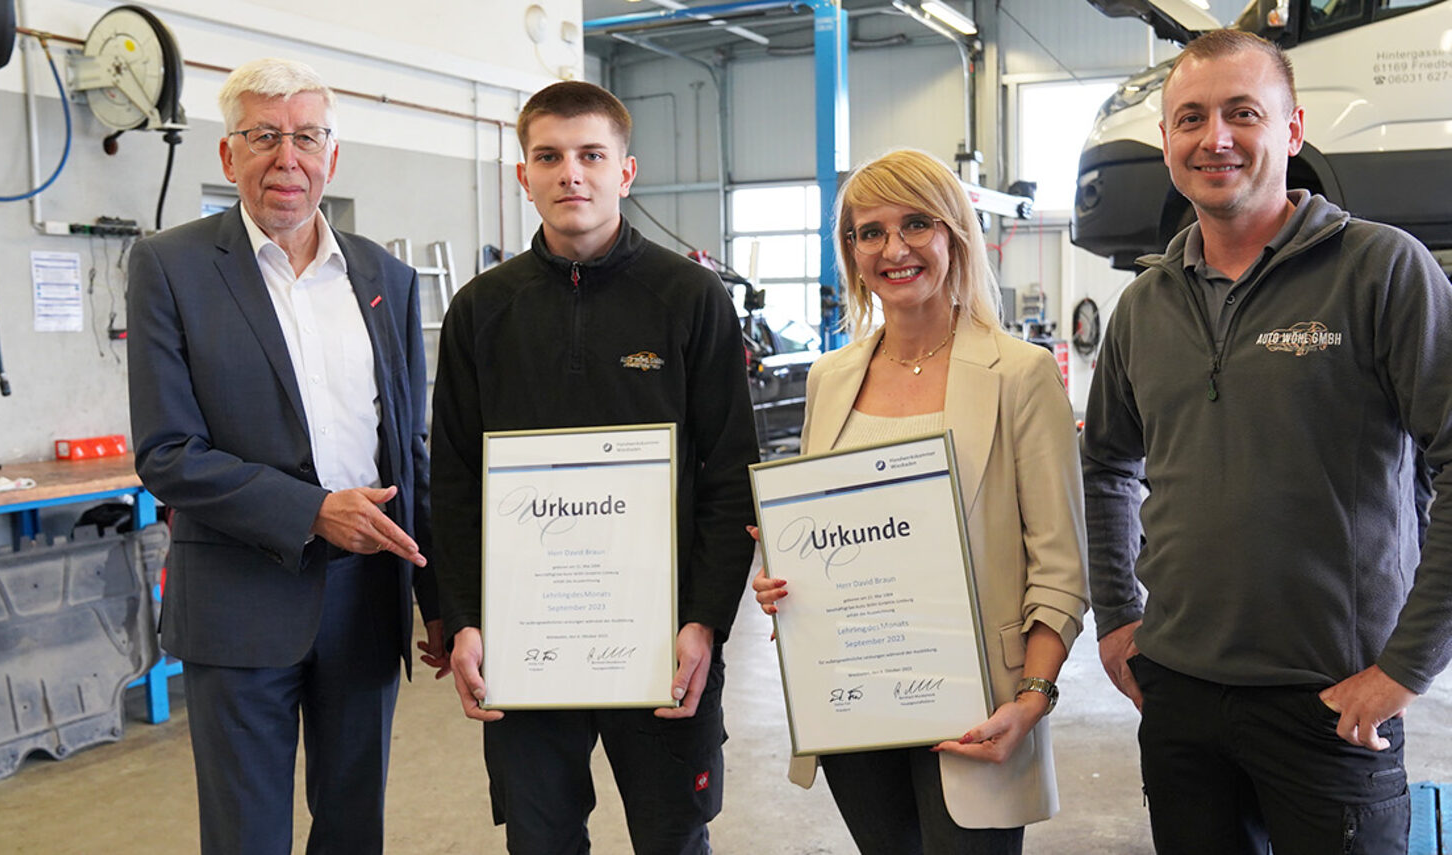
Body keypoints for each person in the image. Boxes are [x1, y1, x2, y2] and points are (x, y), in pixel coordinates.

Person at [1082, 30, 1452, 855]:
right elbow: (1107, 461)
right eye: (1190, 119)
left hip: (1332, 697)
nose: (1214, 138)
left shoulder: (1381, 270)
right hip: (1177, 695)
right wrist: (1116, 615)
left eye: (1242, 113)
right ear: (1169, 142)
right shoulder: (1144, 304)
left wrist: (1407, 667)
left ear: (1292, 130)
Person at [428, 81, 759, 854]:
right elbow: (453, 480)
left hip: (660, 638)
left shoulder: (691, 298)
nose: (570, 173)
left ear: (625, 170)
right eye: (549, 156)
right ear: (524, 175)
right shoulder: (481, 312)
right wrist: (467, 616)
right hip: (525, 640)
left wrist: (704, 619)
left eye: (591, 155)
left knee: (674, 836)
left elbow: (728, 471)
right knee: (540, 840)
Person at [127, 57, 446, 854]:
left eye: (306, 135)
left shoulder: (387, 277)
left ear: (331, 155)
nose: (287, 157)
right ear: (229, 154)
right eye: (264, 135)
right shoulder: (171, 268)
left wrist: (439, 598)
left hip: (366, 600)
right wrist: (310, 510)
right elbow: (166, 452)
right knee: (247, 837)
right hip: (239, 601)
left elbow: (407, 447)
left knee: (352, 828)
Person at [752, 148, 1090, 855]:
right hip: (853, 701)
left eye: (915, 223)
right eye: (868, 232)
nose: (893, 248)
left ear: (954, 233)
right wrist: (785, 577)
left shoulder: (1019, 375)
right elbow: (823, 532)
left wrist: (1032, 696)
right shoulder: (831, 378)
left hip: (979, 706)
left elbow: (1059, 566)